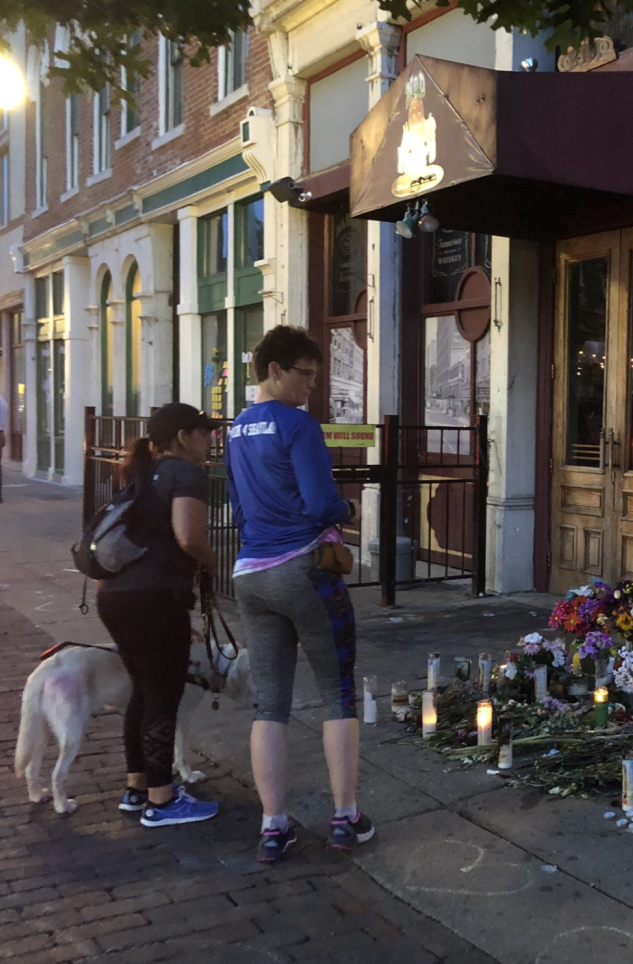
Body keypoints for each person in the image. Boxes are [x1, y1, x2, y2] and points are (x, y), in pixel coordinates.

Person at [226, 325, 371, 863]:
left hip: (251, 574)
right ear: (274, 372)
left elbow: (239, 508)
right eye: (305, 374)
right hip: (304, 568)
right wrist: (347, 510)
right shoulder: (299, 425)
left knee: (270, 704)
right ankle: (345, 817)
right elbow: (318, 503)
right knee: (338, 694)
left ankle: (273, 826)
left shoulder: (237, 428)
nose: (313, 385)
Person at [97, 403, 220, 827]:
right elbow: (188, 536)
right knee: (164, 696)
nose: (210, 440)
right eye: (204, 433)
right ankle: (163, 800)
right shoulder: (185, 473)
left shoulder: (140, 475)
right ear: (183, 437)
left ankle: (138, 787)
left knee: (144, 692)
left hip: (115, 595)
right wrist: (212, 561)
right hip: (155, 599)